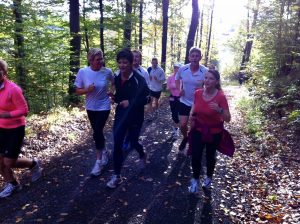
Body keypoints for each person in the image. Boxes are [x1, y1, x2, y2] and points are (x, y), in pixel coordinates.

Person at [107, 49, 150, 189]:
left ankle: (142, 152)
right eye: (119, 62)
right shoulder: (117, 77)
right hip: (121, 116)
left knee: (132, 142)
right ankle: (117, 176)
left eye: (125, 62)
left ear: (131, 63)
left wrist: (131, 103)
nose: (122, 65)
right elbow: (120, 96)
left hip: (135, 117)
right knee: (117, 144)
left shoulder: (140, 79)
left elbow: (147, 99)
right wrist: (114, 98)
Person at [0, 59, 42, 198]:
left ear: (4, 72)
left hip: (15, 128)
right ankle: (12, 184)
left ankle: (33, 164)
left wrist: (6, 115)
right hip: (1, 128)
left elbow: (24, 110)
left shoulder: (13, 89)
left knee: (8, 162)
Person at [188, 69, 231, 193]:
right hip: (198, 129)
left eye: (210, 78)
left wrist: (219, 110)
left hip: (214, 132)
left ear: (216, 81)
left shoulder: (221, 96)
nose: (207, 80)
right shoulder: (197, 93)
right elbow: (194, 106)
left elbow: (228, 119)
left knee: (210, 157)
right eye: (205, 78)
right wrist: (192, 114)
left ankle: (208, 178)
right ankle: (195, 180)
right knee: (195, 156)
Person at [74, 48, 114, 177]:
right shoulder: (83, 72)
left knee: (97, 131)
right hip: (91, 107)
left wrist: (112, 92)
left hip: (104, 106)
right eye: (97, 59)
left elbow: (114, 82)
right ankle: (105, 151)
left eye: (101, 58)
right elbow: (78, 90)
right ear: (90, 60)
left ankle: (98, 162)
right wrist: (87, 89)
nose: (101, 61)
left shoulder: (107, 71)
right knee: (97, 132)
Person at [175, 47, 208, 152]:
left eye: (197, 56)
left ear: (200, 57)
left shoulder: (205, 71)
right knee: (183, 124)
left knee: (194, 125)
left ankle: (193, 142)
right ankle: (185, 137)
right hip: (184, 101)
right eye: (192, 56)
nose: (194, 58)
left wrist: (204, 92)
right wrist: (179, 89)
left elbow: (210, 84)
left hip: (198, 102)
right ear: (189, 57)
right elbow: (177, 79)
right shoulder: (183, 69)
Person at [166, 63, 182, 138]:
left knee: (176, 114)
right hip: (172, 97)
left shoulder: (182, 78)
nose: (176, 69)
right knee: (173, 114)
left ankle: (176, 130)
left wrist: (177, 87)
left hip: (180, 98)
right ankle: (175, 129)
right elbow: (167, 88)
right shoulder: (170, 77)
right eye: (175, 68)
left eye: (177, 68)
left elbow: (184, 88)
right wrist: (171, 87)